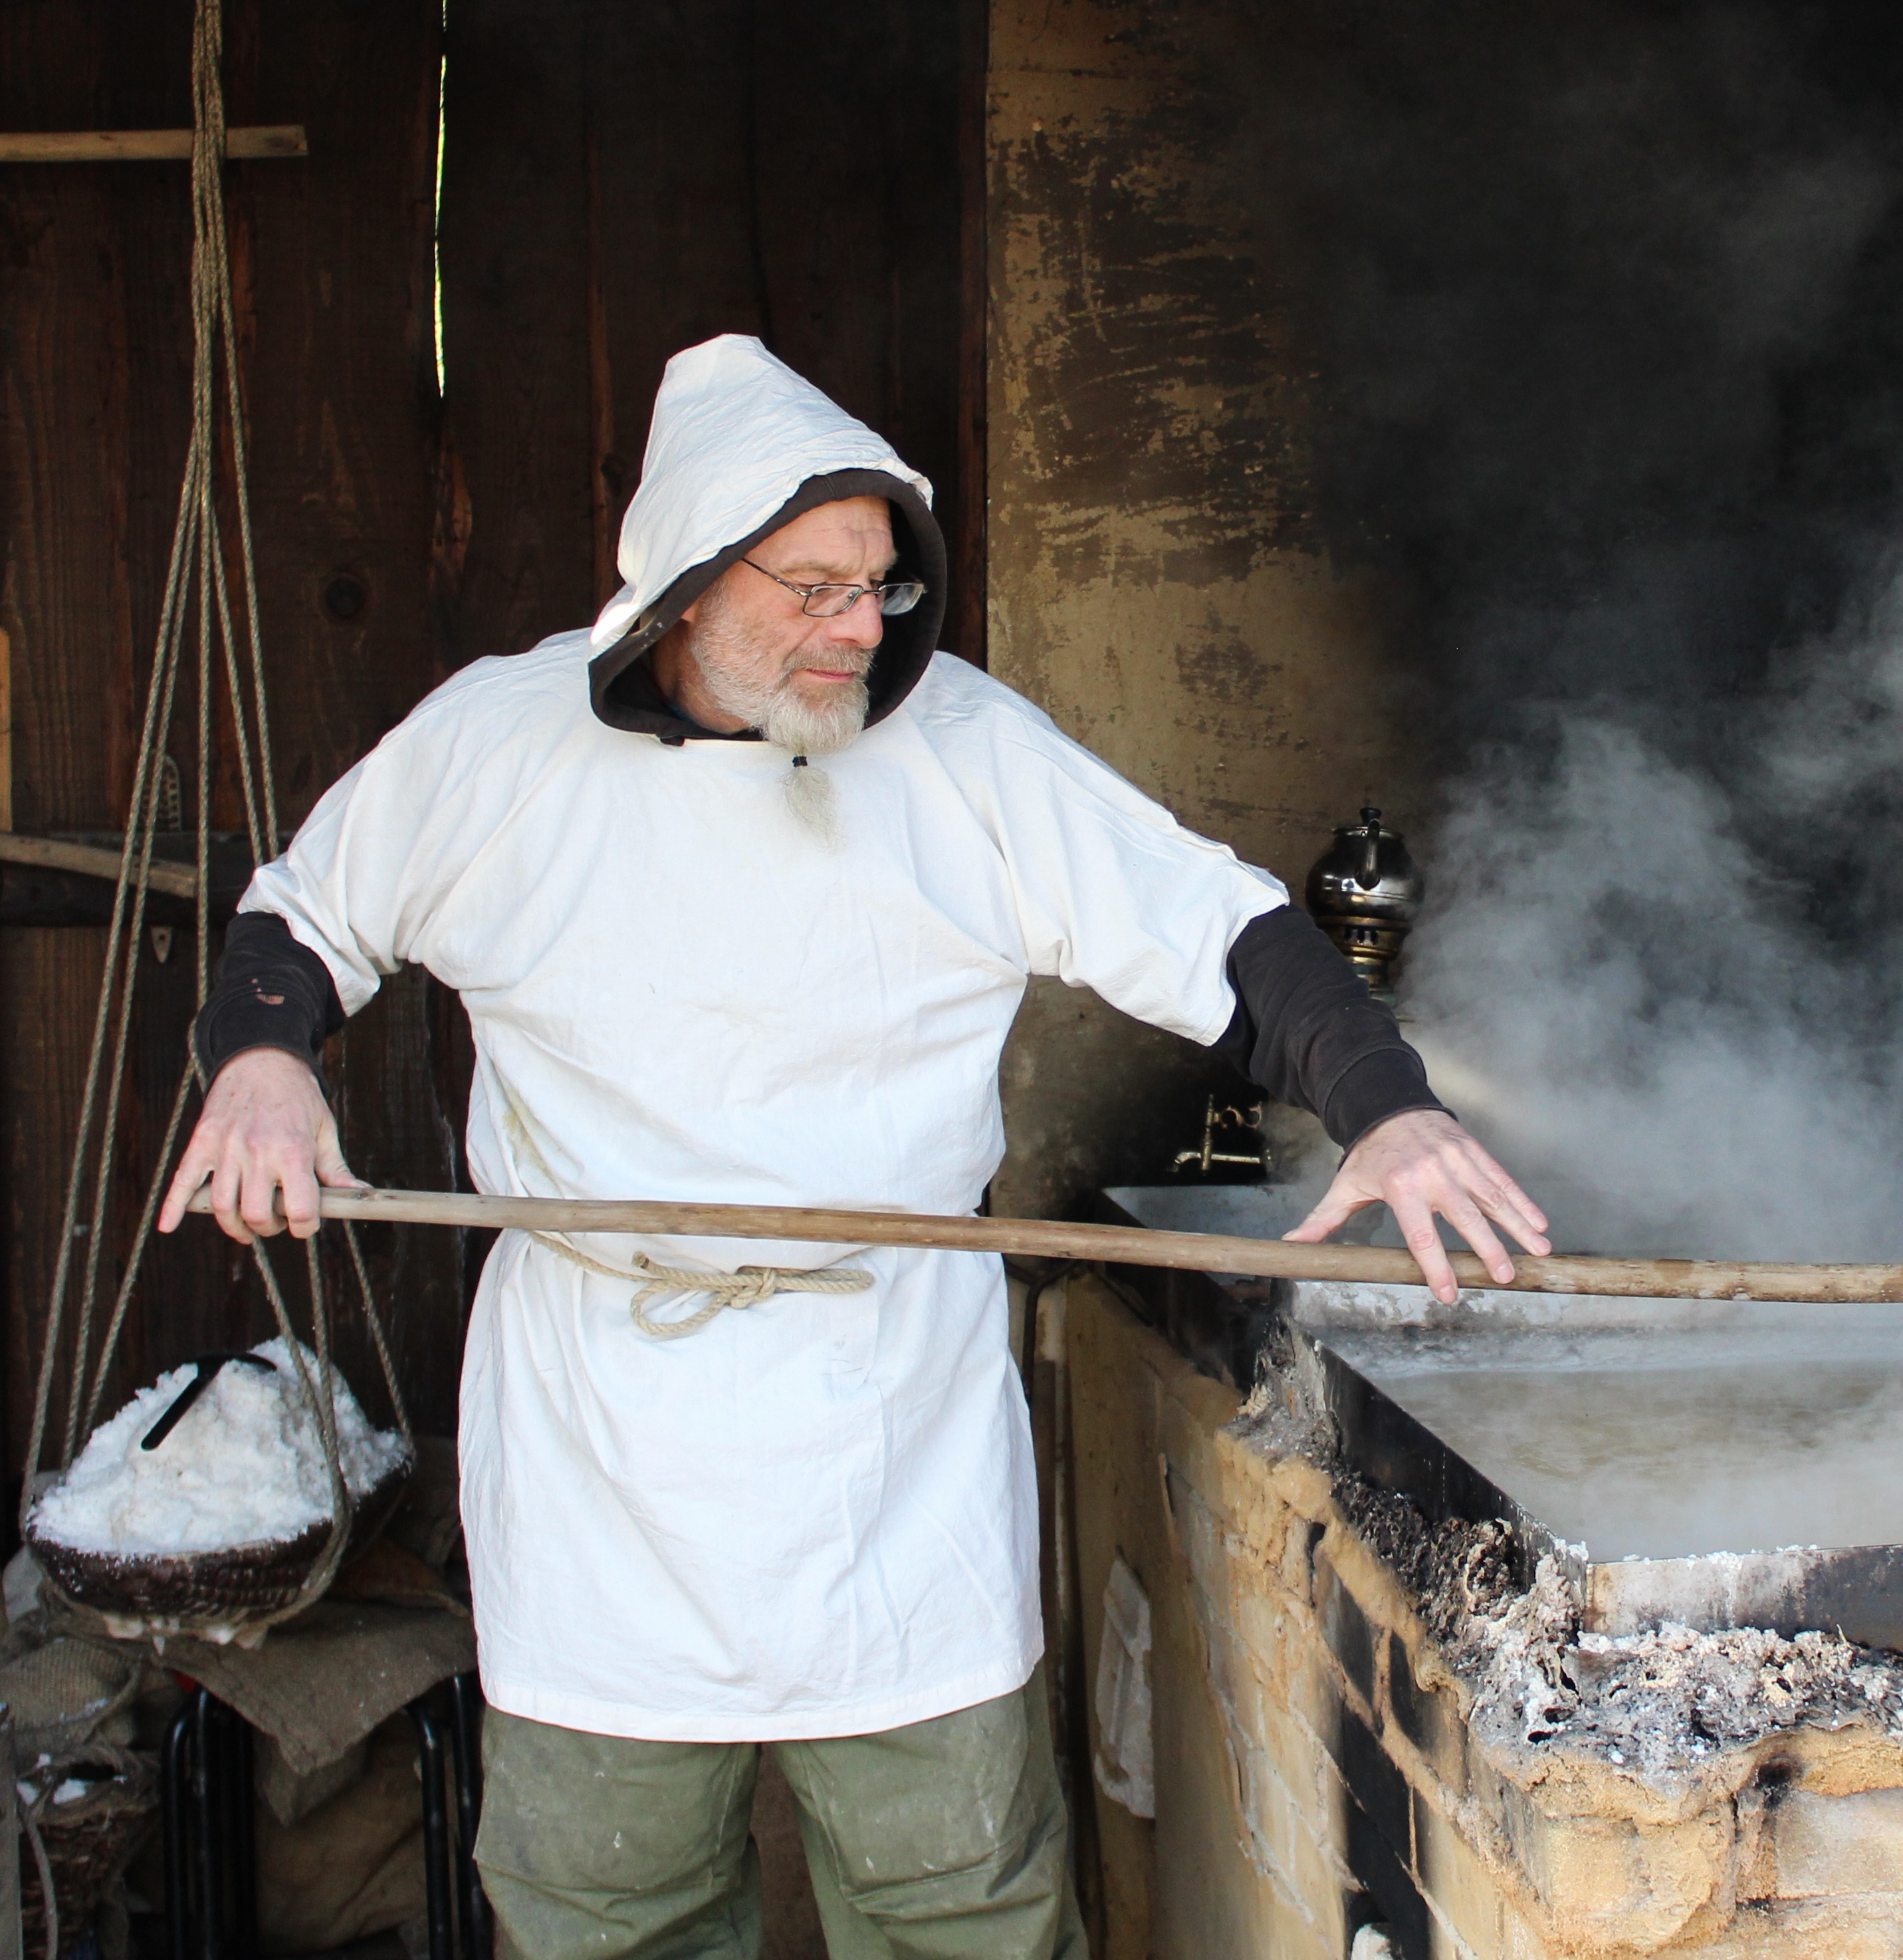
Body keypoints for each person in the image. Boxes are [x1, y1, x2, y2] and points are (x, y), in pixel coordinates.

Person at [158, 334, 1548, 1960]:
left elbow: (1219, 926)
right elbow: (304, 916)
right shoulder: (498, 745)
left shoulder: (961, 746)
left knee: (959, 1905)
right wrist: (261, 1059)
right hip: (603, 1431)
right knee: (612, 1910)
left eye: (879, 586)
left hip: (895, 1420)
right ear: (684, 580)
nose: (858, 629)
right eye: (811, 586)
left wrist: (1388, 1103)